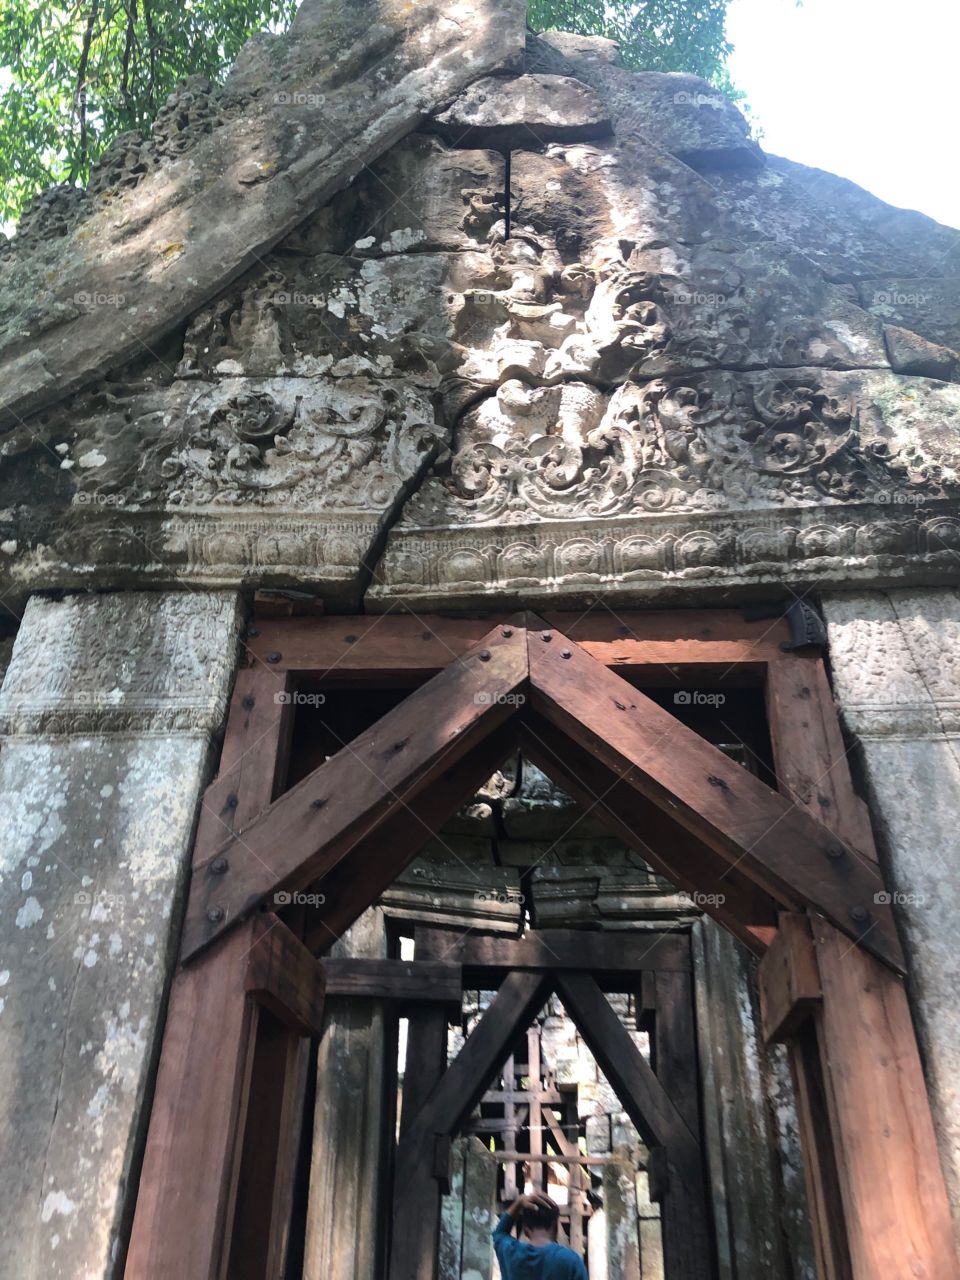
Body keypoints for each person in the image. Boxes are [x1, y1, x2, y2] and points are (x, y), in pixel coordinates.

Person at [492, 1191, 588, 1278]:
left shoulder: (510, 1253)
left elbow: (499, 1233)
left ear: (525, 1229)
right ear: (555, 1226)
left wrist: (519, 1202)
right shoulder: (571, 1262)